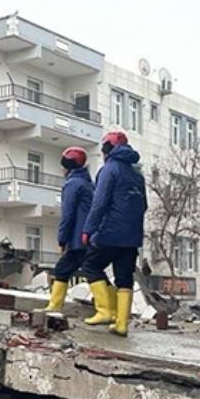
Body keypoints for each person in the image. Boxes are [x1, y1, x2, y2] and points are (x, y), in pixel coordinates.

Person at [81, 131, 146, 337]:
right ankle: (122, 324)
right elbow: (143, 205)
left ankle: (105, 311)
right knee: (124, 278)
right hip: (132, 236)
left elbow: (99, 204)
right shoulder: (137, 174)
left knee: (91, 266)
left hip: (109, 232)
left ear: (107, 150)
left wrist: (88, 229)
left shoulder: (108, 170)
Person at [44, 146, 94, 312]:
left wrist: (62, 239)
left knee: (62, 269)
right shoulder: (88, 183)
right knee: (94, 271)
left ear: (68, 167)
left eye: (63, 166)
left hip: (79, 239)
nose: (61, 169)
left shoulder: (72, 184)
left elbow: (68, 214)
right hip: (90, 236)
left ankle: (54, 306)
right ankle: (110, 309)